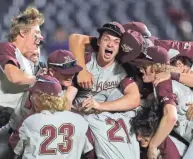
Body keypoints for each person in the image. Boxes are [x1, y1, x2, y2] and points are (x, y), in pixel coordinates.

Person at [9, 74, 94, 159]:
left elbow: (14, 147)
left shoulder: (30, 120)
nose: (31, 98)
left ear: (40, 97)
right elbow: (90, 153)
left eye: (33, 95)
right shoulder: (79, 120)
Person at [134, 46, 193, 158]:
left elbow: (171, 117)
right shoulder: (165, 83)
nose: (140, 69)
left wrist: (152, 146)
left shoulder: (162, 84)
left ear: (157, 66)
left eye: (145, 65)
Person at [70, 22, 140, 112]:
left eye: (116, 42)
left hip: (100, 114)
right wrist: (82, 71)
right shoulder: (84, 60)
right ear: (99, 42)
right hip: (76, 111)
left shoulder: (121, 69)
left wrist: (99, 105)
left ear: (119, 47)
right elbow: (75, 38)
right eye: (106, 39)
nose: (110, 44)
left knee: (118, 94)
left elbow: (134, 98)